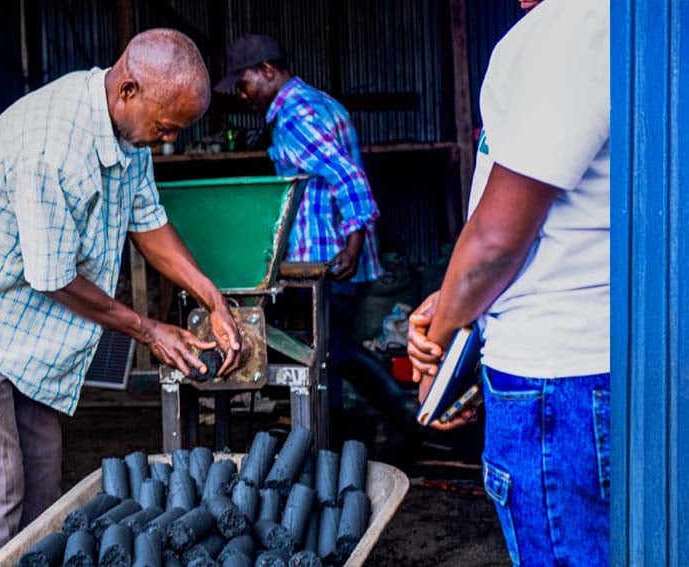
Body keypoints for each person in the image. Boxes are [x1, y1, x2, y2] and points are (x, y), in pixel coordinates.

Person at [0, 29, 242, 566]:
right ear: (128, 89)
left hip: (21, 320)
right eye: (165, 126)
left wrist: (211, 297)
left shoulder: (129, 132)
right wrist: (148, 329)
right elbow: (54, 277)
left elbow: (149, 224)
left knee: (43, 479)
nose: (166, 140)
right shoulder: (53, 149)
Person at [407, 0, 609, 564]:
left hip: (555, 385)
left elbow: (496, 242)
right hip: (602, 368)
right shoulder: (633, 26)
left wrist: (437, 344)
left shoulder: (566, 29)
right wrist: (454, 296)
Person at [214, 35, 417, 453]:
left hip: (326, 257)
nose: (241, 94)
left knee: (324, 357)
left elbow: (348, 176)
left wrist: (355, 238)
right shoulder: (319, 102)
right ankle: (390, 426)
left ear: (268, 71)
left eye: (244, 82)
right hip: (336, 252)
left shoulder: (294, 115)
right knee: (336, 352)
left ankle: (338, 445)